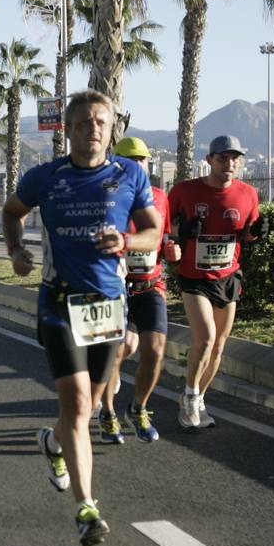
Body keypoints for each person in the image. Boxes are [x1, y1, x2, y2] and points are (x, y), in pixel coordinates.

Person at [1, 91, 161, 546]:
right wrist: (14, 250)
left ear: (112, 129)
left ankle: (52, 444)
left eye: (102, 122)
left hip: (106, 304)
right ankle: (88, 508)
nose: (94, 129)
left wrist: (126, 243)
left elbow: (152, 231)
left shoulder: (128, 174)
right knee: (74, 403)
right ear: (68, 129)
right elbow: (12, 213)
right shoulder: (45, 178)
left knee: (88, 407)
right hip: (58, 301)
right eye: (85, 122)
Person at [168, 135, 266, 429]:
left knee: (220, 345)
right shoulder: (185, 191)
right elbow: (163, 225)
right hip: (194, 277)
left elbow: (248, 234)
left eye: (235, 158)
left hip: (228, 275)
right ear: (209, 160)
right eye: (223, 158)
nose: (230, 163)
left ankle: (198, 398)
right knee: (206, 338)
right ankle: (188, 396)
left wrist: (258, 231)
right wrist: (181, 229)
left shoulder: (248, 193)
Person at [97, 136, 180, 443]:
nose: (137, 165)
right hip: (113, 288)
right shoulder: (104, 196)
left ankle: (139, 407)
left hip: (151, 284)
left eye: (142, 160)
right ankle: (108, 413)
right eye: (129, 160)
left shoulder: (159, 196)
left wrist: (172, 248)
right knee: (114, 355)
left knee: (155, 352)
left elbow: (164, 236)